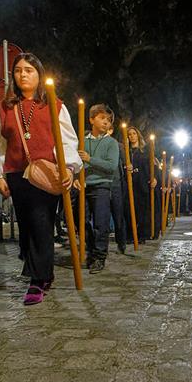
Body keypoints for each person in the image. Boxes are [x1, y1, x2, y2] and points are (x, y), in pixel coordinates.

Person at [0, 53, 80, 304]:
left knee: (42, 223)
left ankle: (37, 281)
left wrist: (68, 168)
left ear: (39, 75)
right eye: (18, 70)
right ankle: (44, 273)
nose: (23, 74)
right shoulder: (5, 107)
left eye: (29, 70)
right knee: (27, 226)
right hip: (16, 173)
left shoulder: (55, 105)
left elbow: (67, 140)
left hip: (45, 173)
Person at [79, 105, 119, 273]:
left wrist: (90, 159)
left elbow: (111, 166)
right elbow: (75, 162)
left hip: (101, 186)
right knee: (82, 222)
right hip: (82, 186)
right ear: (91, 119)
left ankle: (99, 256)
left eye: (108, 120)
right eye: (102, 118)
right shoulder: (82, 140)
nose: (106, 122)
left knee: (101, 223)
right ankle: (90, 251)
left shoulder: (111, 143)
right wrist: (75, 178)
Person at [125, 127, 154, 243]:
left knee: (142, 210)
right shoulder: (126, 152)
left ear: (138, 135)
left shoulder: (144, 152)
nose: (132, 136)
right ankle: (131, 235)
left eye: (134, 133)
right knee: (129, 209)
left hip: (141, 183)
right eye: (129, 134)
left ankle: (142, 235)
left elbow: (150, 166)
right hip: (129, 183)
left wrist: (152, 178)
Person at [106, 121, 128, 254]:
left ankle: (121, 242)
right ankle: (102, 246)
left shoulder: (118, 146)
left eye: (108, 129)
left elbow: (126, 163)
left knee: (118, 215)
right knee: (102, 217)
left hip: (116, 183)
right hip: (102, 184)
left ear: (111, 131)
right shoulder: (97, 144)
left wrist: (128, 167)